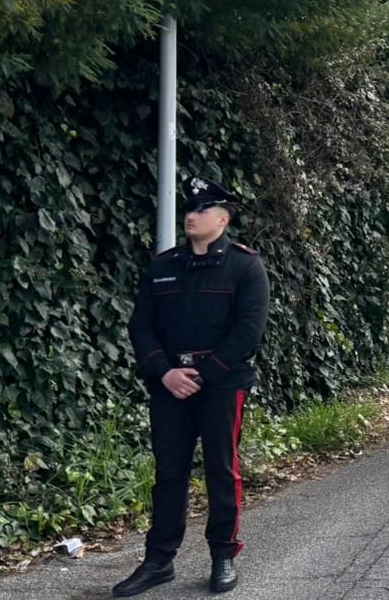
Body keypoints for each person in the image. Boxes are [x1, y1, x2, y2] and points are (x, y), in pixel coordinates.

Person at [116, 177, 270, 597]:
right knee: (169, 473)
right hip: (169, 385)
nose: (191, 216)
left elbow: (248, 331)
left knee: (222, 471)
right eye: (189, 209)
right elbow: (141, 326)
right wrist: (164, 372)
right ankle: (158, 560)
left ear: (223, 219)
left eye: (202, 210)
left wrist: (203, 375)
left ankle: (223, 555)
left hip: (222, 385)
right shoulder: (163, 266)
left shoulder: (245, 266)